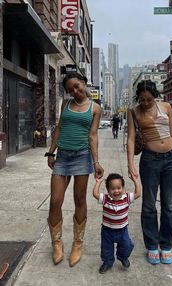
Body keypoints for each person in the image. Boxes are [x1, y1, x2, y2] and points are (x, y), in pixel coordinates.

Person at [127, 80, 172, 265]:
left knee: (170, 205)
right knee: (149, 205)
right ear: (138, 97)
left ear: (155, 96)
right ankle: (152, 245)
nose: (145, 103)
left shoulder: (166, 107)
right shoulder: (134, 112)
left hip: (170, 159)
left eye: (149, 99)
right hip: (149, 160)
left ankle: (166, 244)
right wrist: (130, 163)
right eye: (142, 99)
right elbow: (131, 138)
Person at [45, 72, 104, 267]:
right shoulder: (66, 105)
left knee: (80, 199)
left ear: (84, 83)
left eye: (77, 86)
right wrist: (51, 153)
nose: (75, 91)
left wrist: (96, 162)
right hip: (62, 157)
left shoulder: (95, 108)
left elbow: (93, 136)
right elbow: (59, 128)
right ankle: (57, 243)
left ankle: (78, 243)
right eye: (71, 89)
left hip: (82, 156)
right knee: (55, 201)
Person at [93, 173, 141, 274]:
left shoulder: (126, 198)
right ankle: (107, 262)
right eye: (112, 188)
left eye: (119, 188)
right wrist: (98, 183)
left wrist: (135, 181)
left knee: (127, 246)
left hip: (123, 231)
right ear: (108, 190)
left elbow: (138, 194)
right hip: (107, 231)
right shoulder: (105, 199)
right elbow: (95, 194)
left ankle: (123, 257)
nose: (116, 191)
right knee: (106, 249)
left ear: (123, 188)